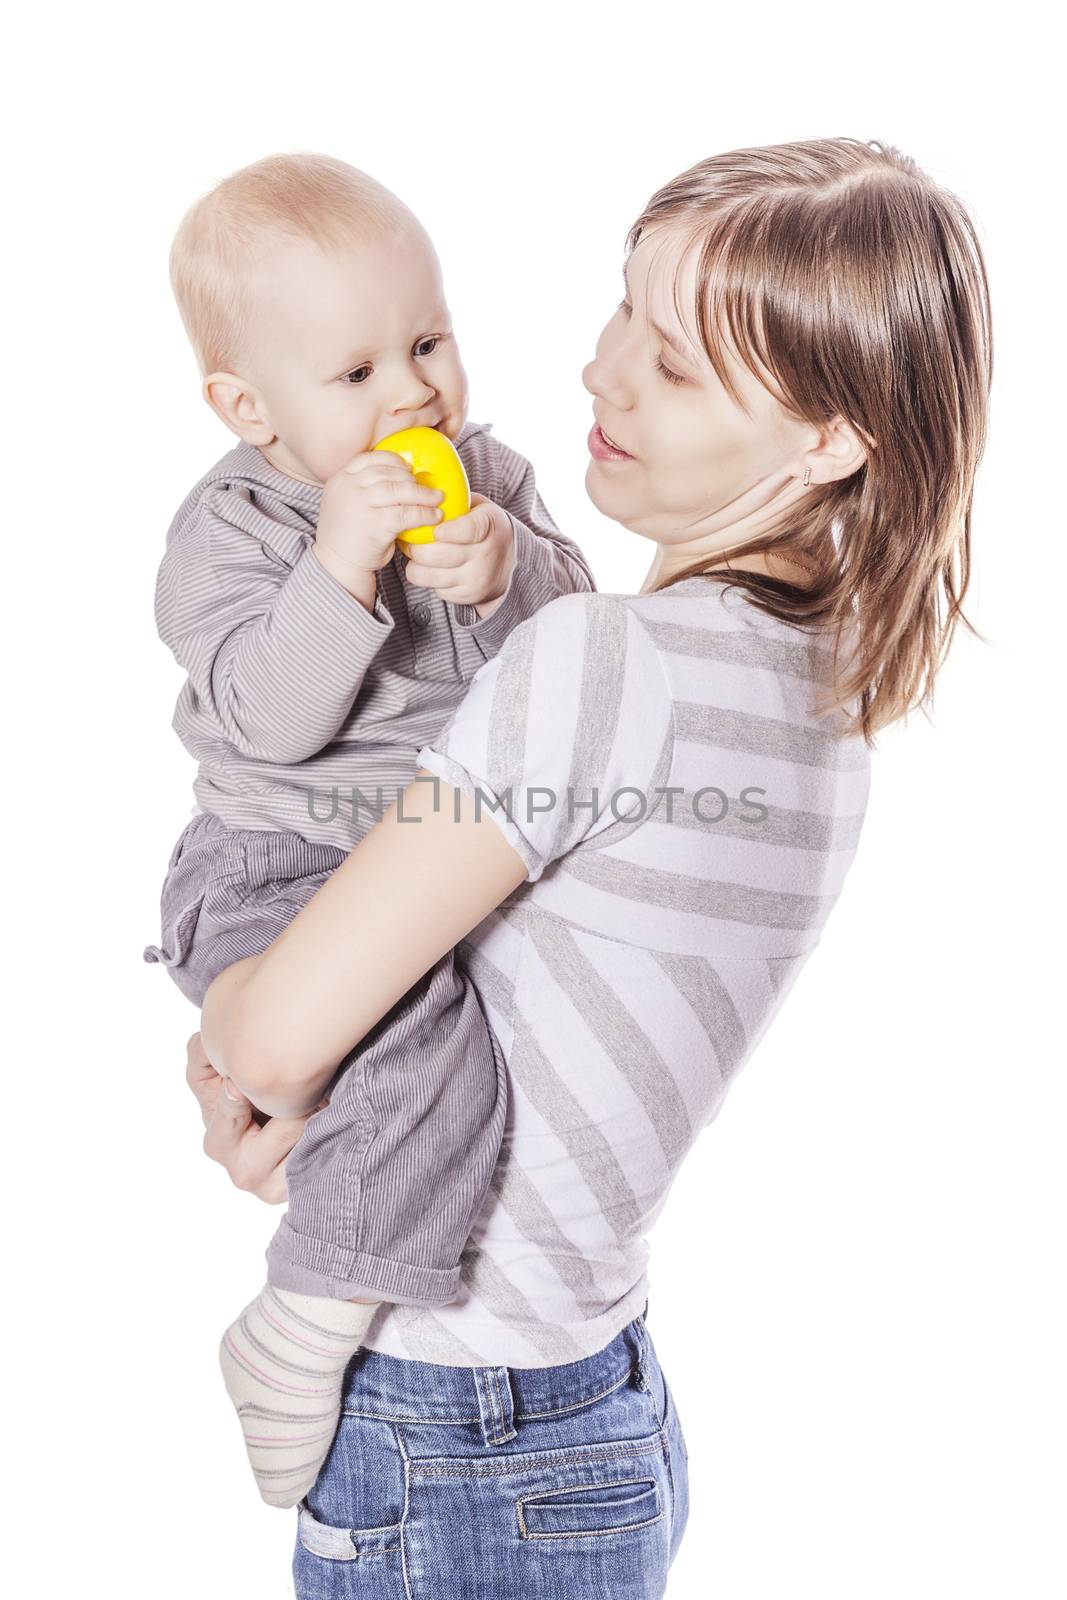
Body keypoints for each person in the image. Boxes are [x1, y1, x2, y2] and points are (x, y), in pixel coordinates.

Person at [190, 136, 992, 1598]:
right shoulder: (828, 701)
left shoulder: (605, 667)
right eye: (624, 308)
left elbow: (276, 1034)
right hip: (596, 1404)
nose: (599, 375)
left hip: (457, 1430)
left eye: (674, 365)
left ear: (829, 442)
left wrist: (249, 1071)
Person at [141, 151, 594, 1506]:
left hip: (431, 862)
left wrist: (515, 570)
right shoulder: (231, 528)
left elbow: (575, 658)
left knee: (468, 1059)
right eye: (356, 376)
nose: (414, 392)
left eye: (429, 341)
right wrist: (340, 566)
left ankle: (339, 1251)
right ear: (249, 408)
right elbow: (268, 722)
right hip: (276, 864)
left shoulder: (487, 473)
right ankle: (306, 1317)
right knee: (421, 1054)